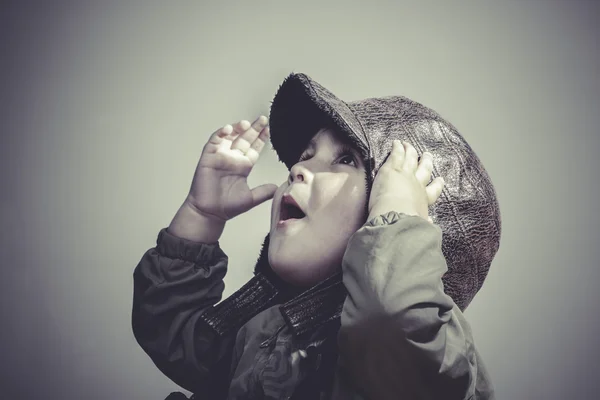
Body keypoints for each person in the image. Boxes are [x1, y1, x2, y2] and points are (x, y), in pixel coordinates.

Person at [132, 73, 500, 399]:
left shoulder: (429, 353)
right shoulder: (264, 332)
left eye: (345, 160)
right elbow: (174, 336)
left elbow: (394, 319)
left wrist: (398, 214)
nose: (298, 168)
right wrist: (202, 216)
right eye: (306, 155)